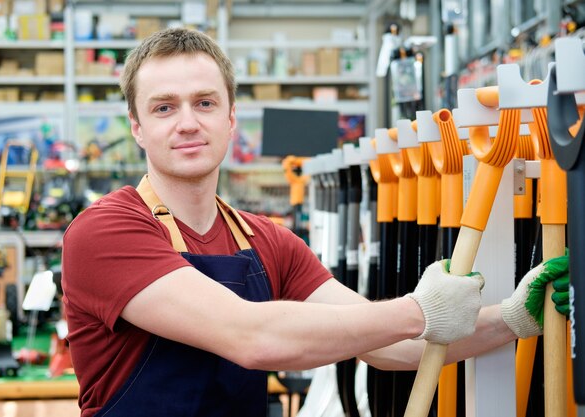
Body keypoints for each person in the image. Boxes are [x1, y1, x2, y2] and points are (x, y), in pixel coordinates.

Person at [61, 27, 570, 417]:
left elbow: (394, 345)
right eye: (164, 107)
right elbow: (253, 337)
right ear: (138, 128)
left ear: (231, 118)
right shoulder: (105, 232)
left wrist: (514, 317)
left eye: (205, 103)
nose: (188, 122)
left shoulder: (267, 242)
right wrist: (421, 308)